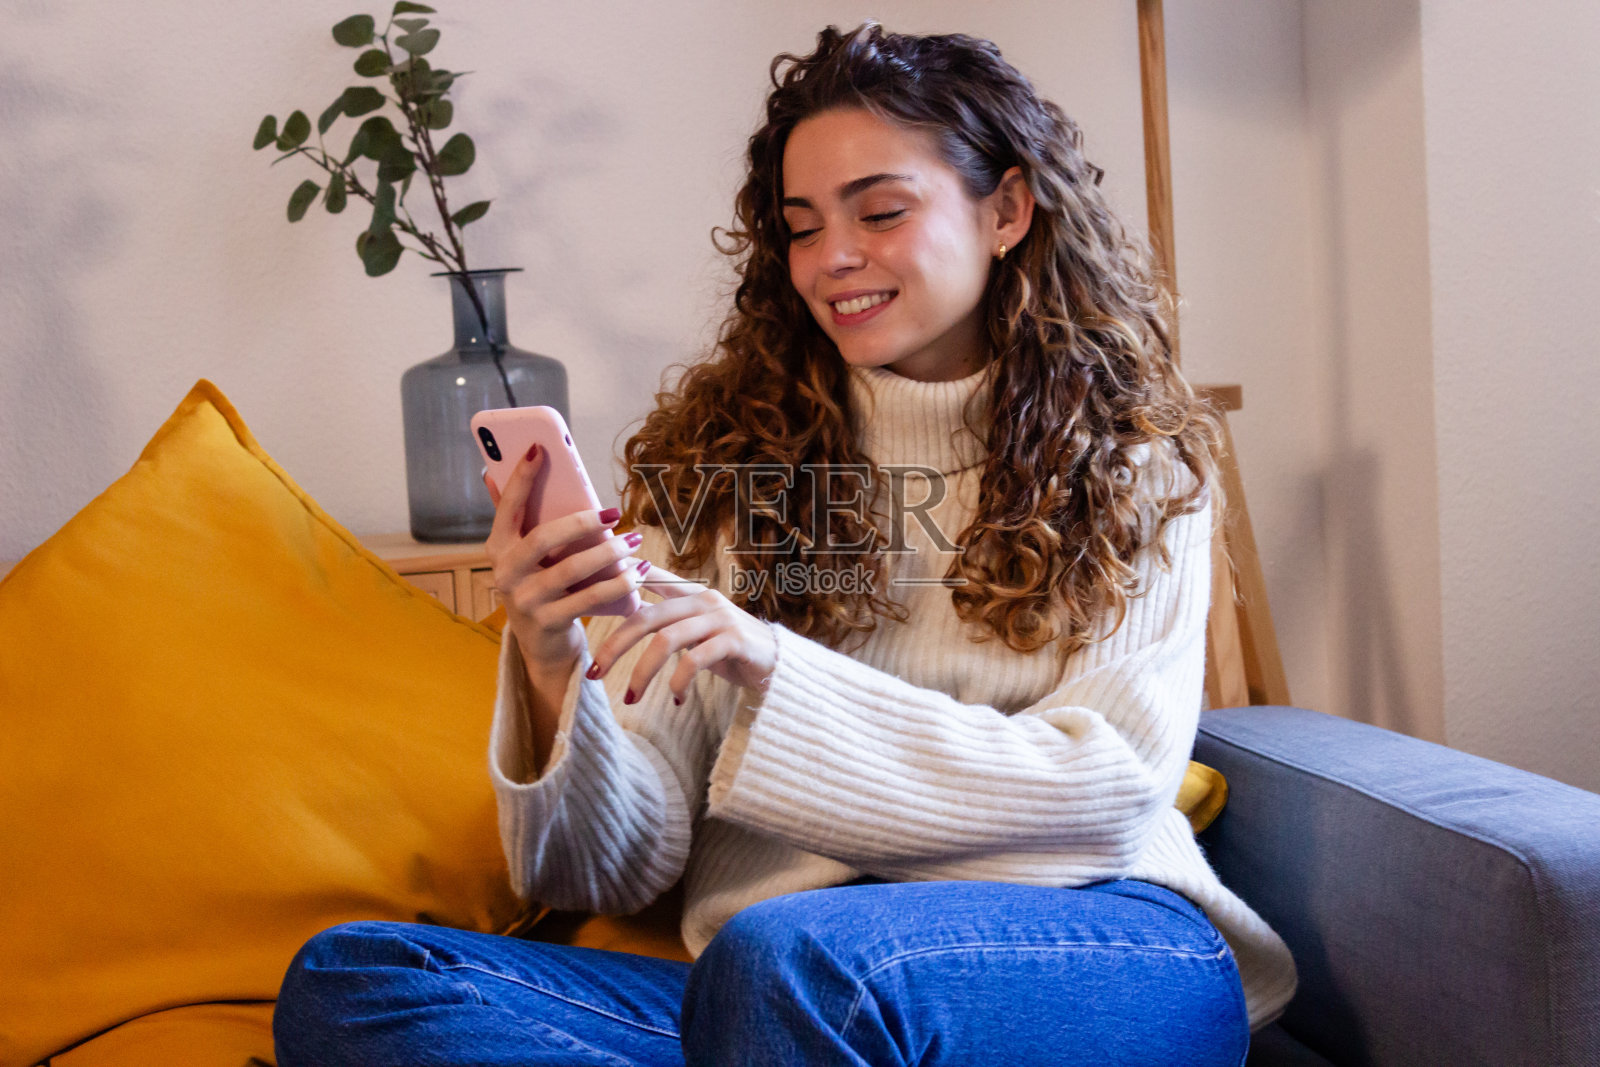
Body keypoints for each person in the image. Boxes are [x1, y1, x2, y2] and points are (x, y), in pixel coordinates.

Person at [274, 22, 1297, 1065]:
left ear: (1007, 209)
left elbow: (1105, 795)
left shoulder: (1138, 461)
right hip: (771, 996)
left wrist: (772, 662)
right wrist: (552, 668)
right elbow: (604, 873)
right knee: (361, 977)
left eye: (881, 211)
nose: (832, 258)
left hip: (1097, 941)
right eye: (801, 227)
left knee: (791, 961)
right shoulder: (721, 467)